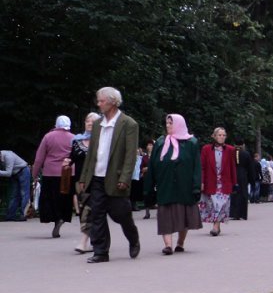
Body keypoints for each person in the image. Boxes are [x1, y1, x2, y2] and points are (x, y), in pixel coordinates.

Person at [77, 86, 141, 263]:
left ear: (112, 102)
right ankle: (101, 252)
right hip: (97, 177)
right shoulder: (97, 124)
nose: (98, 104)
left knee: (121, 214)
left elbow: (130, 154)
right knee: (97, 214)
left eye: (101, 101)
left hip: (116, 177)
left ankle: (133, 238)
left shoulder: (129, 124)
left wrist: (125, 178)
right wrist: (84, 177)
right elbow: (91, 154)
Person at [145, 114, 202, 254]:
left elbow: (196, 166)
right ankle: (168, 245)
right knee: (165, 214)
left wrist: (196, 186)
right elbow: (152, 165)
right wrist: (149, 187)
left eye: (171, 123)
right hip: (165, 185)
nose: (168, 125)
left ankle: (180, 243)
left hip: (185, 186)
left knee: (184, 214)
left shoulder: (191, 143)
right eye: (167, 123)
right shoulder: (160, 142)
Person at [33, 115, 75, 237]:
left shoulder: (48, 137)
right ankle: (62, 217)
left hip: (50, 173)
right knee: (64, 198)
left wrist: (35, 174)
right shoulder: (73, 138)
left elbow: (39, 158)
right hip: (67, 173)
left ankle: (55, 218)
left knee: (50, 199)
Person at [69, 112, 101, 252]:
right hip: (80, 182)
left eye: (93, 121)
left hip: (97, 180)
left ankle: (84, 241)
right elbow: (72, 158)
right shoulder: (76, 141)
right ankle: (96, 240)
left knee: (91, 210)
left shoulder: (102, 141)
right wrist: (67, 162)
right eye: (87, 120)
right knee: (84, 211)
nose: (89, 123)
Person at [199, 127, 237, 237]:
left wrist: (235, 183)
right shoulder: (206, 149)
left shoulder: (230, 150)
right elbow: (202, 167)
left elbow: (232, 167)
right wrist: (201, 181)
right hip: (211, 181)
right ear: (214, 136)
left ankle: (215, 226)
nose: (222, 137)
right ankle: (217, 225)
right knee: (213, 204)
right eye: (219, 135)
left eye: (223, 135)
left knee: (220, 204)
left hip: (224, 182)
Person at [1, 149, 30, 221]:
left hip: (23, 171)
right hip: (15, 174)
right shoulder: (2, 156)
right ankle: (10, 216)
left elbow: (8, 173)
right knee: (14, 195)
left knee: (24, 194)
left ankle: (23, 215)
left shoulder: (8, 157)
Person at [230, 140, 253, 220]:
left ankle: (233, 213)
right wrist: (251, 179)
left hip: (232, 174)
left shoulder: (231, 153)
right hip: (243, 175)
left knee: (234, 194)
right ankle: (242, 213)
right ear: (243, 145)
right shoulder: (246, 154)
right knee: (243, 194)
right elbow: (250, 167)